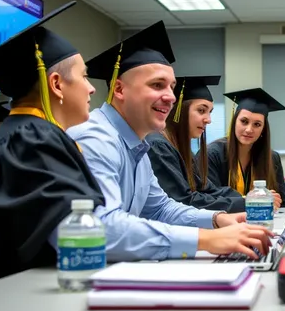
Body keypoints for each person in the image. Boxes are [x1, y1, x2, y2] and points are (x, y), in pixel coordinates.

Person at [68, 21, 272, 262]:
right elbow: (101, 226)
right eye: (157, 85)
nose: (170, 97)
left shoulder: (137, 144)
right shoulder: (94, 138)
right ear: (120, 90)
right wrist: (205, 240)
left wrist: (216, 219)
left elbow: (160, 208)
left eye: (172, 88)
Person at [0, 2, 105, 290]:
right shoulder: (35, 141)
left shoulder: (7, 141)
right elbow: (74, 235)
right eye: (84, 76)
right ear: (56, 84)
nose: (91, 88)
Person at [146, 75, 245, 212]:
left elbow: (208, 189)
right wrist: (244, 204)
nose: (208, 120)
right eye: (201, 110)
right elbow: (184, 200)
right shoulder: (158, 146)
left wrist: (248, 199)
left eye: (209, 112)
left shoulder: (180, 149)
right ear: (179, 110)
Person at [203, 88, 285, 208]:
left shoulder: (272, 158)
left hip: (264, 222)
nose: (249, 129)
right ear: (234, 122)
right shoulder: (212, 154)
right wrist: (253, 200)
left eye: (257, 124)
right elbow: (208, 198)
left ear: (263, 129)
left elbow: (284, 204)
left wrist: (276, 201)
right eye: (244, 121)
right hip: (225, 223)